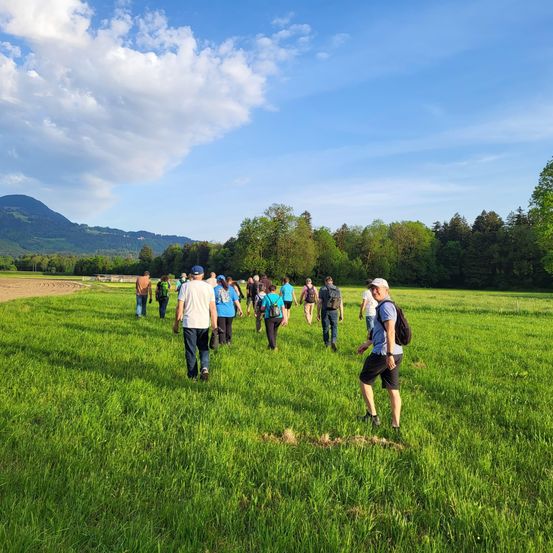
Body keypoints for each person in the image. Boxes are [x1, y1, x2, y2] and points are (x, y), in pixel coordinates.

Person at [356, 278, 403, 430]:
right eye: (372, 289)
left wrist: (388, 354)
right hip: (396, 352)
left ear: (386, 289)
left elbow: (390, 330)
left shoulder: (385, 307)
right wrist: (368, 343)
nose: (374, 291)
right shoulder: (387, 305)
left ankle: (373, 416)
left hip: (384, 354)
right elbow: (381, 330)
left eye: (377, 288)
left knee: (364, 381)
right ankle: (395, 426)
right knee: (393, 390)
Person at [172, 265, 218, 381]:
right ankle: (205, 368)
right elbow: (212, 309)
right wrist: (215, 327)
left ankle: (192, 376)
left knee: (190, 350)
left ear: (191, 275)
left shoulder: (185, 286)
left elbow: (180, 307)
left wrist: (176, 324)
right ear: (203, 275)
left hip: (189, 323)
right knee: (203, 348)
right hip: (203, 323)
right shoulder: (209, 288)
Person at [214, 274, 243, 345]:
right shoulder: (231, 288)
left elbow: (212, 301)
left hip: (220, 312)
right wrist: (240, 309)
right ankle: (228, 341)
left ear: (217, 281)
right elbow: (236, 300)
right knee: (229, 326)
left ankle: (222, 342)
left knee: (221, 328)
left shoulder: (215, 289)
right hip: (230, 312)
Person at [317, 276, 343, 351]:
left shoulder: (322, 289)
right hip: (334, 311)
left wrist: (318, 313)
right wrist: (341, 314)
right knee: (334, 327)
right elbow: (340, 303)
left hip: (325, 311)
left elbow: (319, 302)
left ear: (325, 282)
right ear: (332, 281)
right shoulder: (337, 289)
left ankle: (326, 344)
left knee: (325, 328)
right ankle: (333, 341)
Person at [261, 284, 287, 350]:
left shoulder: (266, 297)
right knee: (274, 332)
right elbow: (283, 308)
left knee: (269, 332)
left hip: (269, 317)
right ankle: (271, 345)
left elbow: (262, 308)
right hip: (279, 317)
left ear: (269, 290)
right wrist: (285, 318)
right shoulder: (279, 297)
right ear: (275, 290)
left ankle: (273, 347)